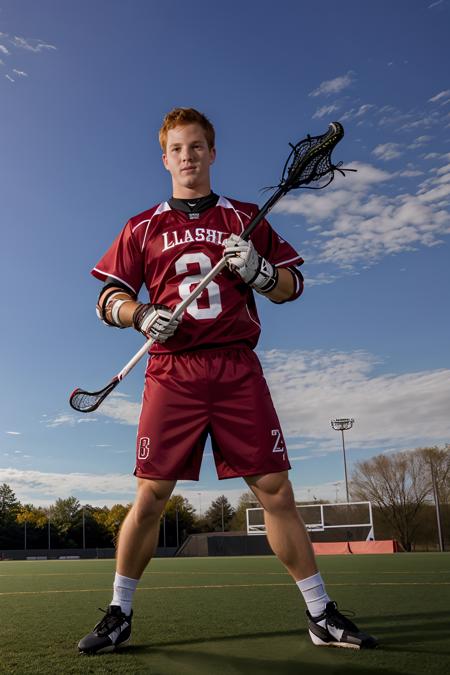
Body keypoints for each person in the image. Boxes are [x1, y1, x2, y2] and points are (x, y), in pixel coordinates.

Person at [77, 108, 377, 654]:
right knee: (151, 495)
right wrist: (140, 315)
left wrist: (261, 271)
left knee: (276, 492)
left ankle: (319, 614)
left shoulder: (245, 216)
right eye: (177, 149)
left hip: (237, 367)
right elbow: (106, 299)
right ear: (164, 157)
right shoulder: (141, 226)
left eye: (197, 147)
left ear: (212, 154)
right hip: (173, 372)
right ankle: (119, 613)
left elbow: (292, 286)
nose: (187, 157)